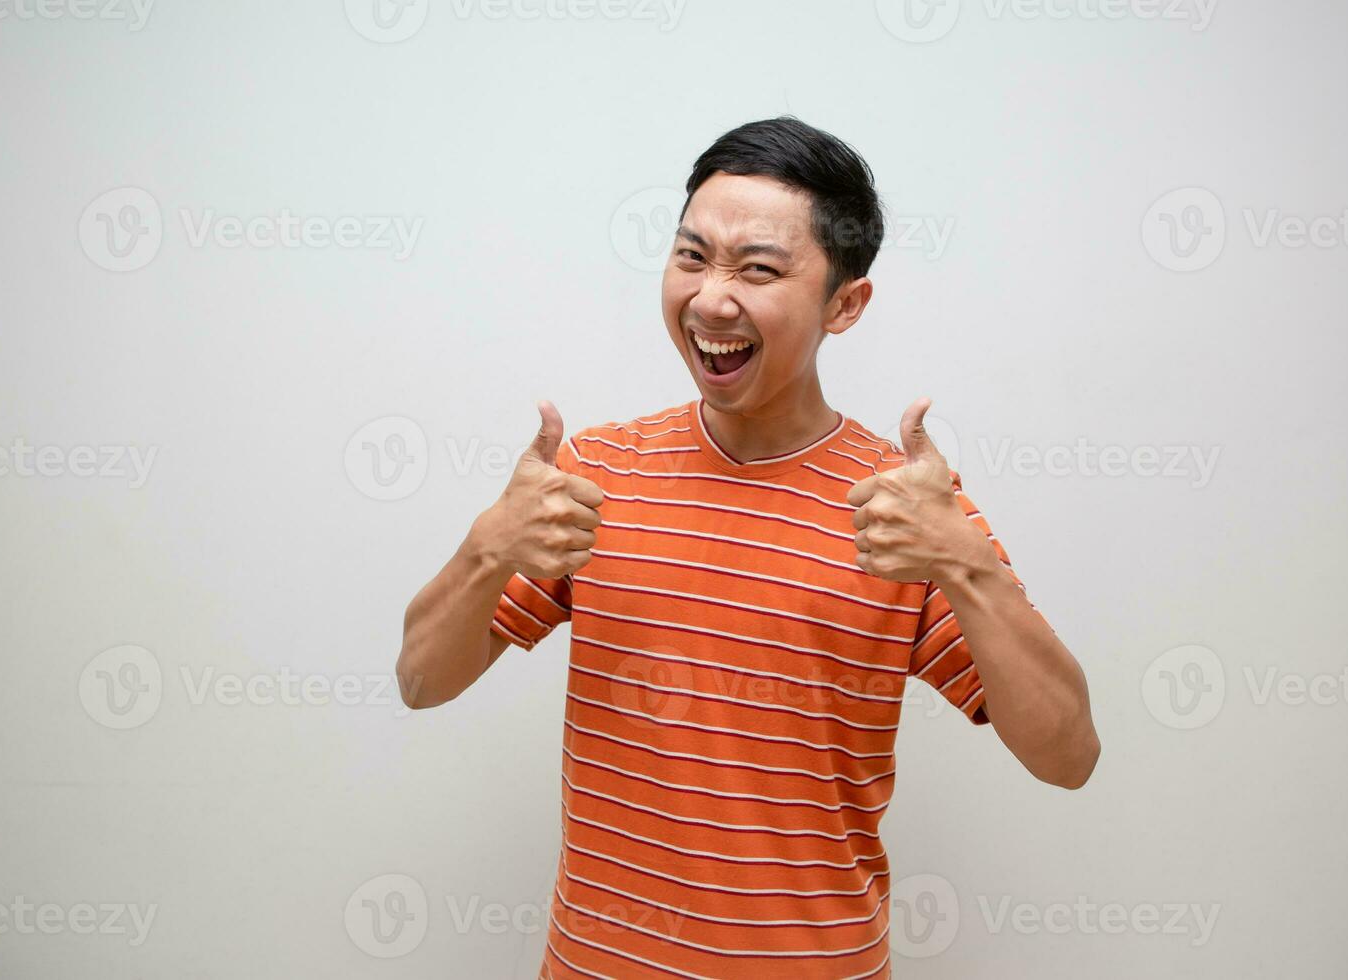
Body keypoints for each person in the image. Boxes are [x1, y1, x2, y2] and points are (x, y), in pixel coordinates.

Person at [396, 116, 1100, 979]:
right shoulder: (597, 472)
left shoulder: (902, 510)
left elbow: (1068, 757)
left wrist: (966, 563)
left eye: (758, 269)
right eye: (692, 257)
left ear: (846, 304)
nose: (711, 298)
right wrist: (488, 547)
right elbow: (421, 681)